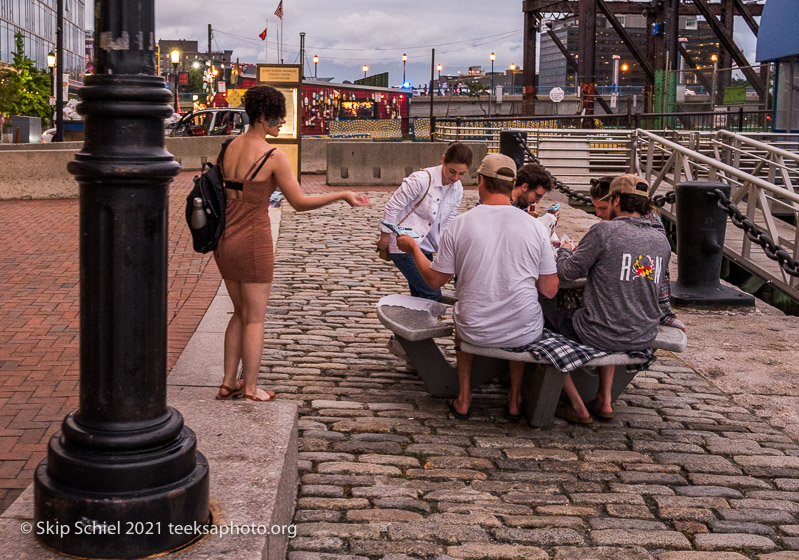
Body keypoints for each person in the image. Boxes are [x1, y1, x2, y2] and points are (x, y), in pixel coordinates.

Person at [214, 85, 370, 402]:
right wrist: (341, 194)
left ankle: (229, 381)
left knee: (239, 312)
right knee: (256, 317)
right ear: (261, 116)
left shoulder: (229, 147)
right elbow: (298, 202)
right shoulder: (274, 157)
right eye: (277, 118)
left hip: (224, 240)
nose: (281, 123)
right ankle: (253, 388)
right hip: (254, 241)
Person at [396, 154, 559, 420]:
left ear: (481, 181)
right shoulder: (536, 228)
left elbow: (436, 280)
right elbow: (550, 290)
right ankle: (515, 398)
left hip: (475, 329)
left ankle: (464, 398)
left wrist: (414, 247)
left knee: (465, 319)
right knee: (521, 316)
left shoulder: (460, 225)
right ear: (513, 184)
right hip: (523, 331)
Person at [549, 174, 671, 423]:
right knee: (612, 309)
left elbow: (567, 271)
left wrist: (564, 250)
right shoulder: (661, 241)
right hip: (642, 333)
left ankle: (576, 405)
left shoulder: (604, 231)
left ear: (615, 200)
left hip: (600, 331)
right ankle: (604, 400)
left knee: (538, 323)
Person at [376, 142, 473, 301]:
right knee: (431, 293)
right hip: (403, 245)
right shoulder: (421, 179)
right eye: (452, 171)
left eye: (461, 174)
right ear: (443, 161)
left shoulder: (458, 188)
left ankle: (414, 324)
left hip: (427, 247)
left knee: (420, 297)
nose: (455, 178)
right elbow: (393, 206)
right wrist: (385, 238)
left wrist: (446, 258)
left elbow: (448, 222)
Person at [589, 176, 685, 331]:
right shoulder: (614, 225)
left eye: (603, 208)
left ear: (616, 202)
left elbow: (659, 272)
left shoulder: (650, 225)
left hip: (628, 314)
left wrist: (665, 313)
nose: (598, 213)